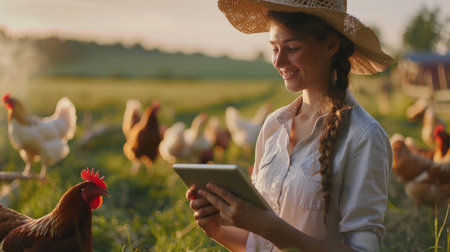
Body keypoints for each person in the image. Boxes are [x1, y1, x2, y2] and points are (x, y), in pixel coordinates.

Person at [186, 0, 393, 251]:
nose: (279, 61)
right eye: (274, 48)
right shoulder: (273, 126)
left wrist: (268, 226)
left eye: (292, 47)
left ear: (330, 45)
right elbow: (260, 244)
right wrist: (216, 229)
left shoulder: (363, 137)